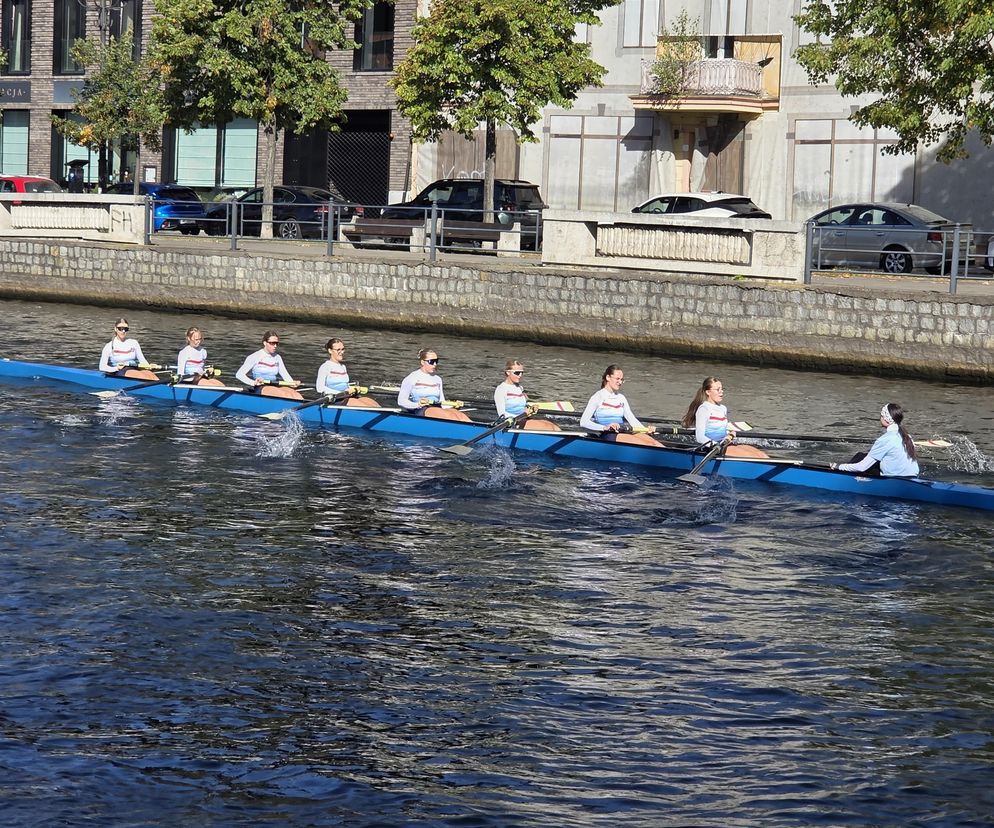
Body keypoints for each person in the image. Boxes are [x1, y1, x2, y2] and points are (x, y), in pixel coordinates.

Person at [681, 376, 768, 459]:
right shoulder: (704, 409)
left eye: (722, 389)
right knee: (750, 456)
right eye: (717, 390)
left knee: (761, 455)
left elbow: (723, 429)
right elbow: (700, 437)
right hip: (711, 448)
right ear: (708, 392)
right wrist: (715, 445)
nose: (721, 392)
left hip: (724, 444)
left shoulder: (723, 408)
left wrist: (729, 434)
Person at [580, 364, 661, 447]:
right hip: (608, 434)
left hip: (622, 431)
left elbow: (632, 419)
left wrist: (646, 430)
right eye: (617, 379)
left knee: (655, 443)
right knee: (648, 445)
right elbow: (583, 422)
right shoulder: (597, 397)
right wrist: (605, 427)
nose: (620, 382)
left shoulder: (621, 398)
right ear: (608, 377)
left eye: (622, 379)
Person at [831, 403, 920, 477]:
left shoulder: (885, 439)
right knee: (862, 455)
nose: (880, 417)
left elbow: (862, 467)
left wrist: (839, 466)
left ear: (885, 419)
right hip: (913, 476)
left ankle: (842, 475)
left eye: (881, 415)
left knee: (859, 457)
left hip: (893, 480)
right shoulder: (907, 436)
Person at [397, 348, 472, 422]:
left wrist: (454, 405)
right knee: (450, 416)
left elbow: (442, 402)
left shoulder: (438, 379)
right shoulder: (412, 378)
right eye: (431, 362)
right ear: (422, 362)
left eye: (436, 361)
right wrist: (418, 404)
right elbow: (401, 401)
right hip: (420, 409)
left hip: (437, 408)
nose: (435, 364)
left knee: (460, 416)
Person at [493, 359, 559, 431]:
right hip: (512, 423)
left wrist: (531, 408)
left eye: (522, 373)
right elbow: (501, 416)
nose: (520, 375)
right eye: (517, 373)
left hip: (523, 419)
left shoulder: (520, 387)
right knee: (548, 427)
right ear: (508, 372)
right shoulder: (501, 389)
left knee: (552, 425)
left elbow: (524, 406)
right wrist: (512, 419)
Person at [235, 330, 303, 400]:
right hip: (260, 387)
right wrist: (253, 383)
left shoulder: (278, 357)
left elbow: (285, 375)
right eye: (272, 343)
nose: (275, 346)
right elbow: (239, 375)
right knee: (285, 395)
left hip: (275, 386)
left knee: (297, 396)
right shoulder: (255, 356)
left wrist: (293, 383)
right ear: (265, 343)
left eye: (277, 343)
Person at [314, 338, 378, 407]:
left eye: (343, 349)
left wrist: (355, 388)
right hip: (332, 399)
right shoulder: (325, 367)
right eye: (338, 350)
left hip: (345, 396)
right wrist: (341, 393)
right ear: (330, 351)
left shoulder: (343, 367)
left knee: (370, 401)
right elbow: (319, 388)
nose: (341, 352)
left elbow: (344, 385)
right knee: (361, 404)